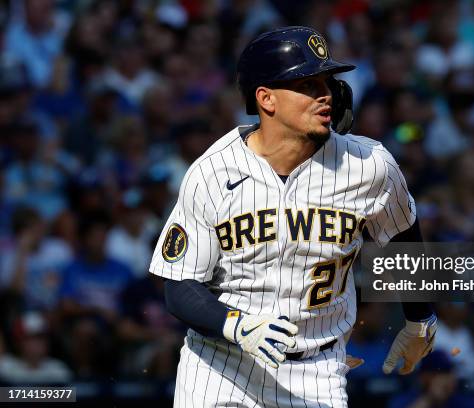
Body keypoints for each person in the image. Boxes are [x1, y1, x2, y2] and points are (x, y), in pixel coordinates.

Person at [149, 26, 436, 407]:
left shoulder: (369, 165)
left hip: (317, 370)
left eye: (327, 83)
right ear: (266, 99)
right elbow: (180, 285)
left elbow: (403, 234)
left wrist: (420, 320)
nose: (326, 95)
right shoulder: (212, 173)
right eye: (307, 85)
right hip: (220, 365)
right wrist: (236, 324)